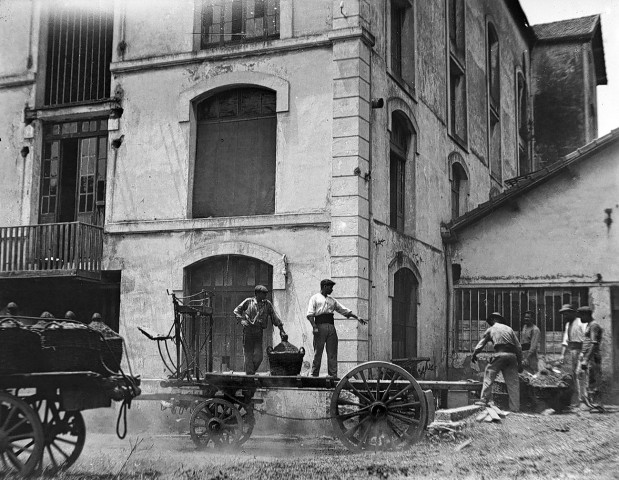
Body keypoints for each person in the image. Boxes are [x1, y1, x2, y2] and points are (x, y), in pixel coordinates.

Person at [306, 279, 367, 378]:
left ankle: (333, 375)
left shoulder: (332, 300)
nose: (332, 290)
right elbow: (310, 315)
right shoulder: (315, 298)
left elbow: (343, 310)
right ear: (325, 286)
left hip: (331, 327)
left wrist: (357, 317)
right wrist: (314, 327)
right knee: (318, 352)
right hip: (319, 327)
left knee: (332, 352)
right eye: (330, 287)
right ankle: (314, 374)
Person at [471, 312, 523, 412]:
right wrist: (519, 363)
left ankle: (483, 400)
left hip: (500, 354)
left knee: (488, 373)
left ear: (494, 319)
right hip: (512, 356)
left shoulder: (491, 329)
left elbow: (481, 344)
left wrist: (474, 354)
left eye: (491, 320)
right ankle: (515, 408)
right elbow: (519, 347)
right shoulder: (509, 329)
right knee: (513, 383)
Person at [233, 285, 286, 375]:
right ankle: (250, 375)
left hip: (258, 332)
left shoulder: (267, 304)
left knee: (259, 356)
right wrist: (242, 320)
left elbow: (274, 317)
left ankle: (251, 372)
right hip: (248, 331)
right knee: (248, 354)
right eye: (263, 294)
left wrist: (281, 329)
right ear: (257, 294)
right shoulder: (248, 302)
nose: (265, 295)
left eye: (266, 293)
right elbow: (236, 311)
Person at [559, 304, 586, 407]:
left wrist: (583, 353)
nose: (565, 316)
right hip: (573, 351)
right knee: (574, 375)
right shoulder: (567, 325)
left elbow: (586, 339)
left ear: (572, 312)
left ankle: (584, 401)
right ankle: (579, 400)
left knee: (581, 374)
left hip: (582, 350)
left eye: (566, 313)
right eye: (564, 314)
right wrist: (562, 355)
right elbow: (565, 341)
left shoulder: (581, 321)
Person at [577, 306, 603, 406]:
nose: (580, 319)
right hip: (587, 355)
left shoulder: (594, 326)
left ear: (586, 315)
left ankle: (597, 405)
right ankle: (589, 403)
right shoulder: (589, 325)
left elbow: (594, 343)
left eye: (581, 316)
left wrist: (586, 359)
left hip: (592, 356)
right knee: (585, 379)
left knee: (592, 380)